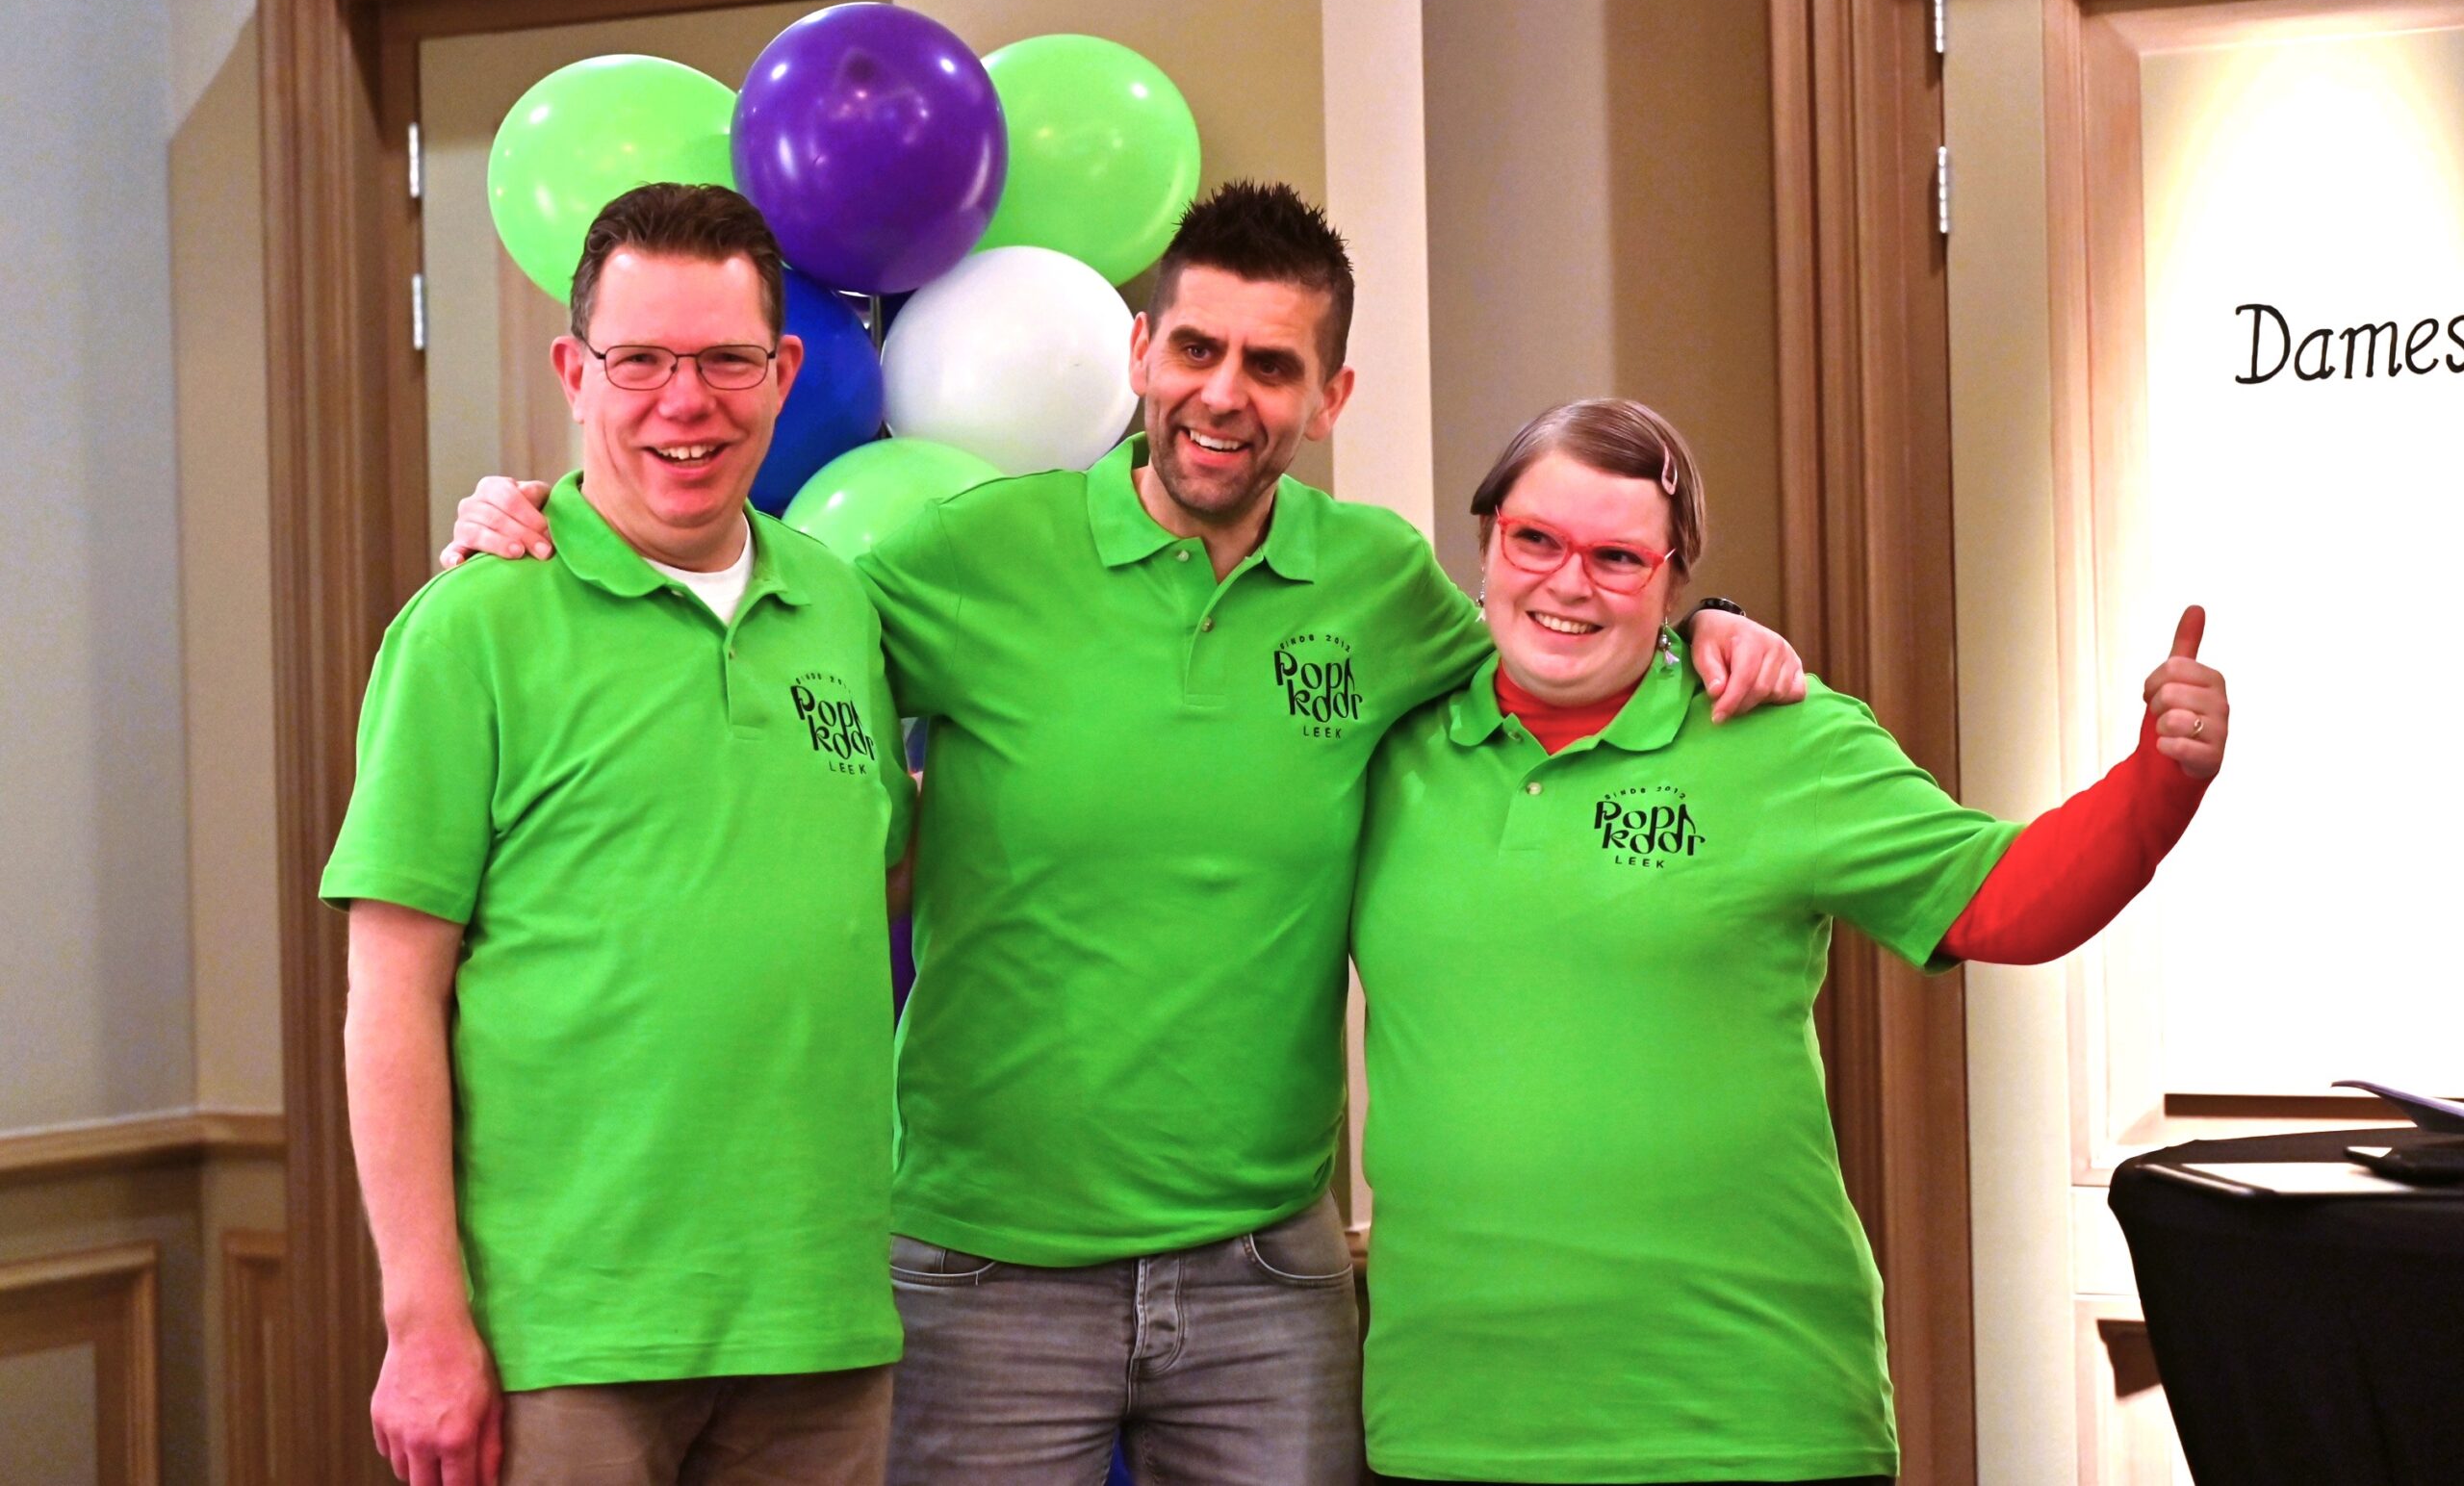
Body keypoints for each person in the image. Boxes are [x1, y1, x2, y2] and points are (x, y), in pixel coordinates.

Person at [444, 183, 1808, 1485]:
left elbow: (1552, 661)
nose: (1225, 392)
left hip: (1268, 1276)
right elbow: (739, 631)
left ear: (1330, 397)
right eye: (1198, 347)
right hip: (981, 1267)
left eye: (1273, 365)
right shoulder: (969, 557)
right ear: (1141, 352)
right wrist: (528, 525)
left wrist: (1704, 626)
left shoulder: (1379, 584)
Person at [1349, 397, 2228, 1486]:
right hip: (1449, 1420)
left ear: (1674, 585)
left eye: (1618, 557)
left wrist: (2162, 779)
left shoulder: (1784, 737)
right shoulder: (1383, 749)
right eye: (1536, 539)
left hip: (1746, 1414)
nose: (1568, 582)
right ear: (1483, 540)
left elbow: (2006, 901)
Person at [325, 184, 915, 1486]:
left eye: (723, 359)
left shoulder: (837, 607)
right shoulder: (474, 625)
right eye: (639, 359)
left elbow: (859, 888)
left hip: (820, 1319)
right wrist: (423, 1320)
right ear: (574, 372)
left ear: (786, 371)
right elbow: (390, 992)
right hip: (565, 1334)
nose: (683, 400)